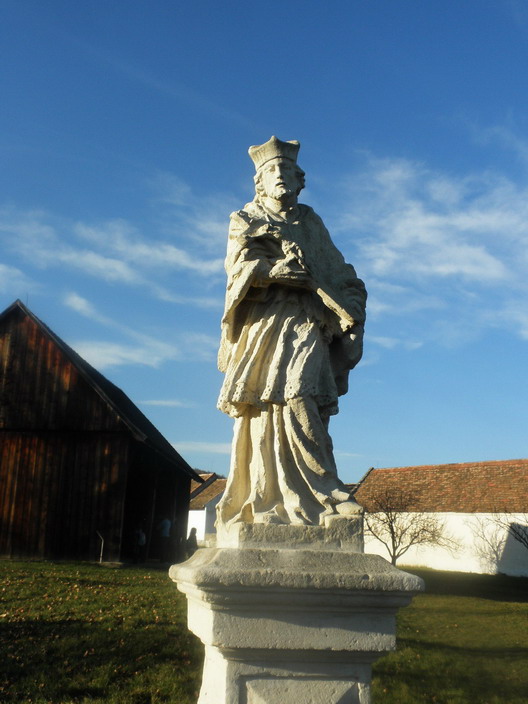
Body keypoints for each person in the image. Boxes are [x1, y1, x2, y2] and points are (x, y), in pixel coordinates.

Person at [216, 136, 367, 527]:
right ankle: (268, 498)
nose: (280, 175)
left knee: (303, 394)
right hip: (265, 322)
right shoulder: (246, 218)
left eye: (286, 169)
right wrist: (272, 272)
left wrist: (352, 308)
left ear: (301, 181)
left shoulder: (311, 223)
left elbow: (340, 272)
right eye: (272, 170)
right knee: (264, 405)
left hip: (307, 320)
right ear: (260, 182)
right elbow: (238, 268)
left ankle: (325, 490)